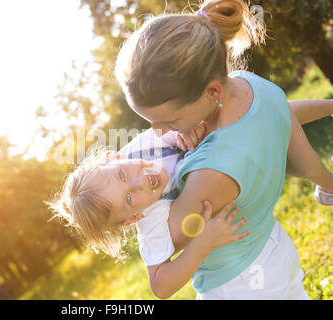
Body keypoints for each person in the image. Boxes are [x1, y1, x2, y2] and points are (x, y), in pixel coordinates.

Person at [113, 0, 333, 299]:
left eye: (170, 120)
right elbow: (283, 113)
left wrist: (129, 206)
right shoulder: (254, 87)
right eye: (152, 122)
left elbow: (168, 245)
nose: (159, 132)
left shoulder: (210, 172)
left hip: (239, 285)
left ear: (211, 92)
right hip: (273, 251)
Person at [47, 101, 332, 299]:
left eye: (122, 175)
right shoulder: (152, 221)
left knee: (262, 115)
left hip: (268, 248)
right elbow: (160, 286)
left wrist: (185, 129)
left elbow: (174, 121)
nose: (138, 181)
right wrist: (203, 241)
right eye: (130, 198)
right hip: (234, 288)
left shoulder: (144, 145)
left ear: (115, 158)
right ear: (133, 218)